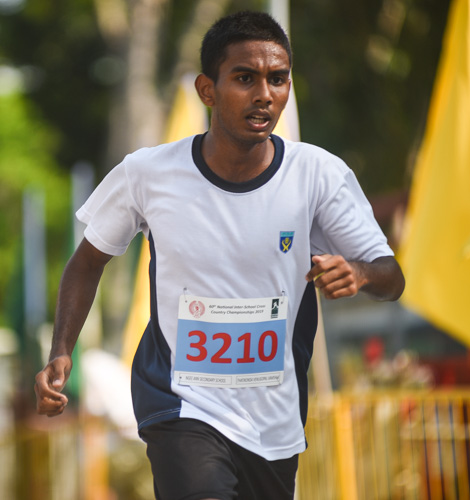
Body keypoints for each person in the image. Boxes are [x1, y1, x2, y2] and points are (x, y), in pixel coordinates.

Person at [35, 10, 405, 500]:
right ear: (207, 90)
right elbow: (87, 262)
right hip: (180, 401)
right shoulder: (148, 174)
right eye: (244, 78)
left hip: (272, 419)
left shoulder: (318, 175)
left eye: (278, 79)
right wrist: (62, 351)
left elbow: (392, 277)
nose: (264, 95)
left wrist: (358, 272)